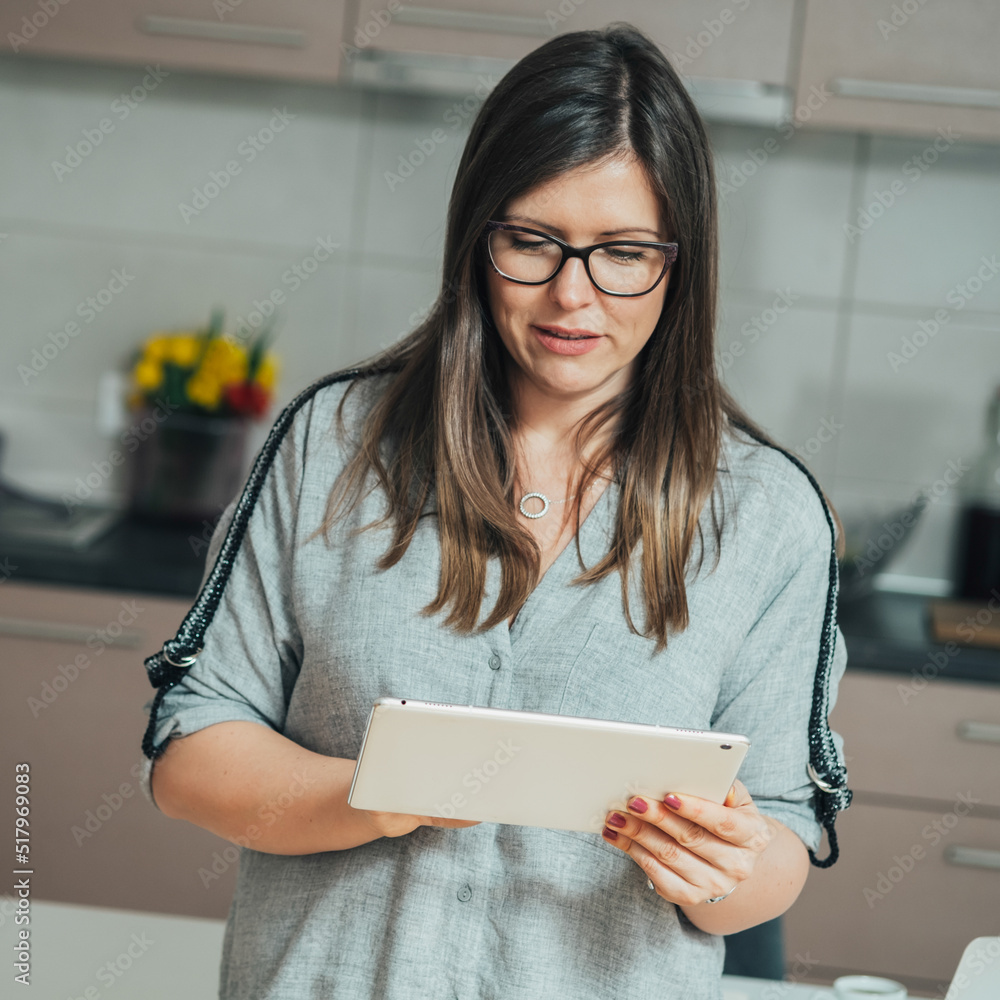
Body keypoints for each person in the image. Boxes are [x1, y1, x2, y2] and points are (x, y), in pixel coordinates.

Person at [139, 21, 852, 1000]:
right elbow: (189, 748)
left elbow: (781, 842)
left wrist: (727, 863)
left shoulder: (769, 517)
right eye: (531, 240)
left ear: (678, 263)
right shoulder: (333, 444)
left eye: (623, 252)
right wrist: (378, 793)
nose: (572, 294)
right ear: (476, 237)